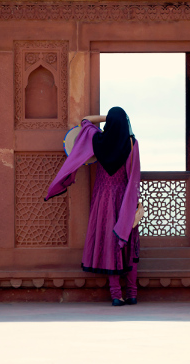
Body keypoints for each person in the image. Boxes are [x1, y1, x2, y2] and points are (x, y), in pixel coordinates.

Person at [46, 107, 141, 306]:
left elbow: (85, 121)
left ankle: (116, 296)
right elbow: (134, 176)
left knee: (109, 244)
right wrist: (136, 203)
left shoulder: (97, 140)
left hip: (102, 200)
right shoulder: (132, 143)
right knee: (128, 242)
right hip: (124, 199)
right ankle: (132, 294)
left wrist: (110, 117)